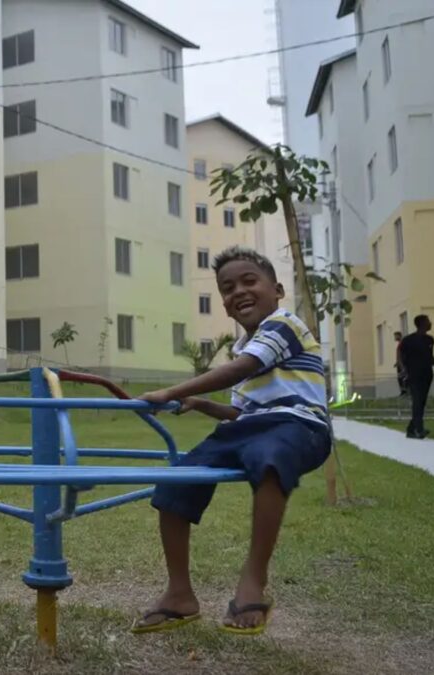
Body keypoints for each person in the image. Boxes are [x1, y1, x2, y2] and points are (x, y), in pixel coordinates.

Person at [132, 247, 329, 636]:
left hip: (299, 426)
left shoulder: (283, 325)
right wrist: (204, 404)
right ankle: (179, 594)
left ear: (278, 290)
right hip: (250, 429)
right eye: (227, 287)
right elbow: (243, 414)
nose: (238, 291)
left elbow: (244, 368)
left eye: (249, 281)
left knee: (270, 458)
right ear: (223, 304)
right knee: (177, 480)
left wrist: (171, 390)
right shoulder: (244, 347)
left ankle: (252, 584)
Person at [398, 315, 434, 439]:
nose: (430, 323)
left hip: (427, 374)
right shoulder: (408, 340)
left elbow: (430, 356)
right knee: (417, 401)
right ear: (422, 323)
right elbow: (399, 353)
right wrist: (403, 368)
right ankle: (419, 430)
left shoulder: (430, 340)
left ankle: (411, 429)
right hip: (413, 375)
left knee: (421, 402)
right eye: (428, 321)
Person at [394, 331, 408, 397]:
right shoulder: (399, 344)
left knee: (403, 377)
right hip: (399, 364)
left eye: (396, 336)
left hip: (402, 364)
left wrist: (402, 364)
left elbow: (402, 354)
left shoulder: (402, 343)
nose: (395, 337)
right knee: (400, 378)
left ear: (399, 336)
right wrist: (397, 362)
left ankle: (405, 391)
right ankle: (403, 391)